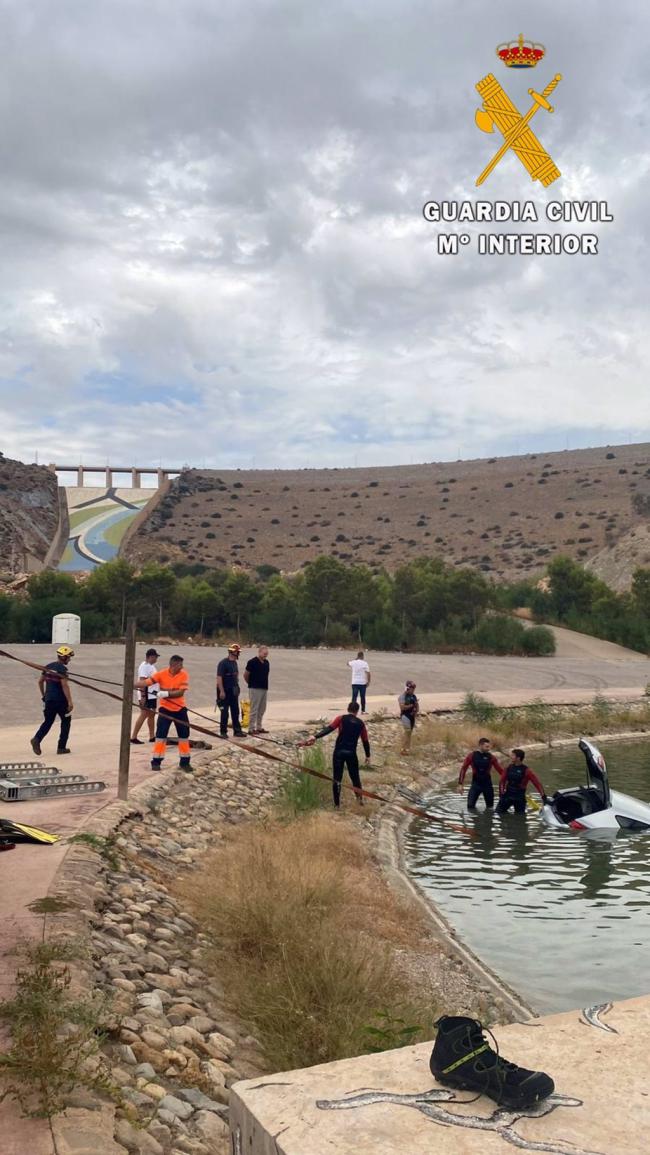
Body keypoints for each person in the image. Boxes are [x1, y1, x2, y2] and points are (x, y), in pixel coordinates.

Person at [299, 701, 370, 809]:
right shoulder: (361, 724)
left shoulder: (341, 718)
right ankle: (359, 802)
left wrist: (315, 737)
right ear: (357, 711)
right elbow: (365, 740)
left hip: (339, 752)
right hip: (351, 753)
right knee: (355, 778)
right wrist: (367, 755)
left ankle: (337, 805)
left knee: (337, 779)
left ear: (348, 709)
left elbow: (329, 729)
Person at [139, 654, 192, 772]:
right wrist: (131, 685)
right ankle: (156, 761)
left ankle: (185, 762)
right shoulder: (161, 674)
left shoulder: (183, 674)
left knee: (184, 736)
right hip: (165, 709)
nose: (182, 667)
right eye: (180, 664)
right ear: (174, 665)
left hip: (180, 709)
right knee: (161, 735)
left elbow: (180, 693)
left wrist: (166, 694)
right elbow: (147, 682)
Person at [30, 644, 75, 756]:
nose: (69, 660)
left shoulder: (47, 667)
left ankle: (37, 739)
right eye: (69, 657)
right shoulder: (62, 670)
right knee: (66, 722)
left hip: (49, 700)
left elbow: (40, 682)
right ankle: (61, 747)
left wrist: (44, 696)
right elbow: (65, 686)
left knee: (48, 721)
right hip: (61, 701)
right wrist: (70, 702)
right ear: (64, 657)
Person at [458, 737, 505, 811]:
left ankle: (488, 821)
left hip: (487, 785)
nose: (488, 748)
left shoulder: (491, 757)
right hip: (475, 785)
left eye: (489, 746)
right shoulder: (472, 756)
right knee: (470, 807)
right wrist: (460, 784)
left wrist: (509, 781)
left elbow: (500, 771)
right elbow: (464, 769)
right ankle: (474, 821)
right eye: (486, 746)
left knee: (490, 808)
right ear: (480, 745)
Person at [496, 748, 548, 815]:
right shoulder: (508, 768)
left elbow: (537, 783)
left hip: (519, 798)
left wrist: (543, 796)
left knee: (520, 819)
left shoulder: (527, 771)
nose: (511, 757)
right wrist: (501, 794)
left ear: (518, 758)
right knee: (497, 813)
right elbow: (502, 781)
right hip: (507, 796)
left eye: (513, 755)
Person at [131, 647, 160, 744]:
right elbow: (142, 681)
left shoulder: (151, 666)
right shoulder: (145, 666)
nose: (156, 659)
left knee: (151, 715)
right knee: (143, 714)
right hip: (147, 695)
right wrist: (143, 696)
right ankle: (134, 736)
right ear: (151, 657)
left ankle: (152, 736)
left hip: (152, 695)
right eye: (155, 657)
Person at [216, 643, 246, 738]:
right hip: (224, 691)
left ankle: (237, 731)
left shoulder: (234, 663)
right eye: (237, 652)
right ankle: (223, 732)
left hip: (233, 691)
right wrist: (221, 691)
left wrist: (237, 687)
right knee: (224, 713)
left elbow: (236, 676)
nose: (238, 654)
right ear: (232, 652)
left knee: (235, 711)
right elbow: (219, 678)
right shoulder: (223, 663)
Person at [244, 644, 270, 735]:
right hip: (254, 688)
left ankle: (259, 727)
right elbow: (246, 675)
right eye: (264, 653)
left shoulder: (267, 663)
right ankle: (251, 728)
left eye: (266, 654)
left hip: (264, 688)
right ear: (259, 652)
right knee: (254, 709)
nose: (265, 655)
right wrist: (250, 684)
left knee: (262, 709)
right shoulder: (252, 662)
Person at [398, 680, 419, 755]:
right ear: (407, 688)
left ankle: (407, 749)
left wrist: (416, 709)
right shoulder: (402, 696)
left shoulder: (413, 696)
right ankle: (402, 749)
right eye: (412, 689)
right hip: (405, 715)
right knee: (407, 731)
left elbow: (417, 706)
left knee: (409, 733)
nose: (413, 690)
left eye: (414, 689)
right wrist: (411, 705)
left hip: (412, 716)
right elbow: (402, 707)